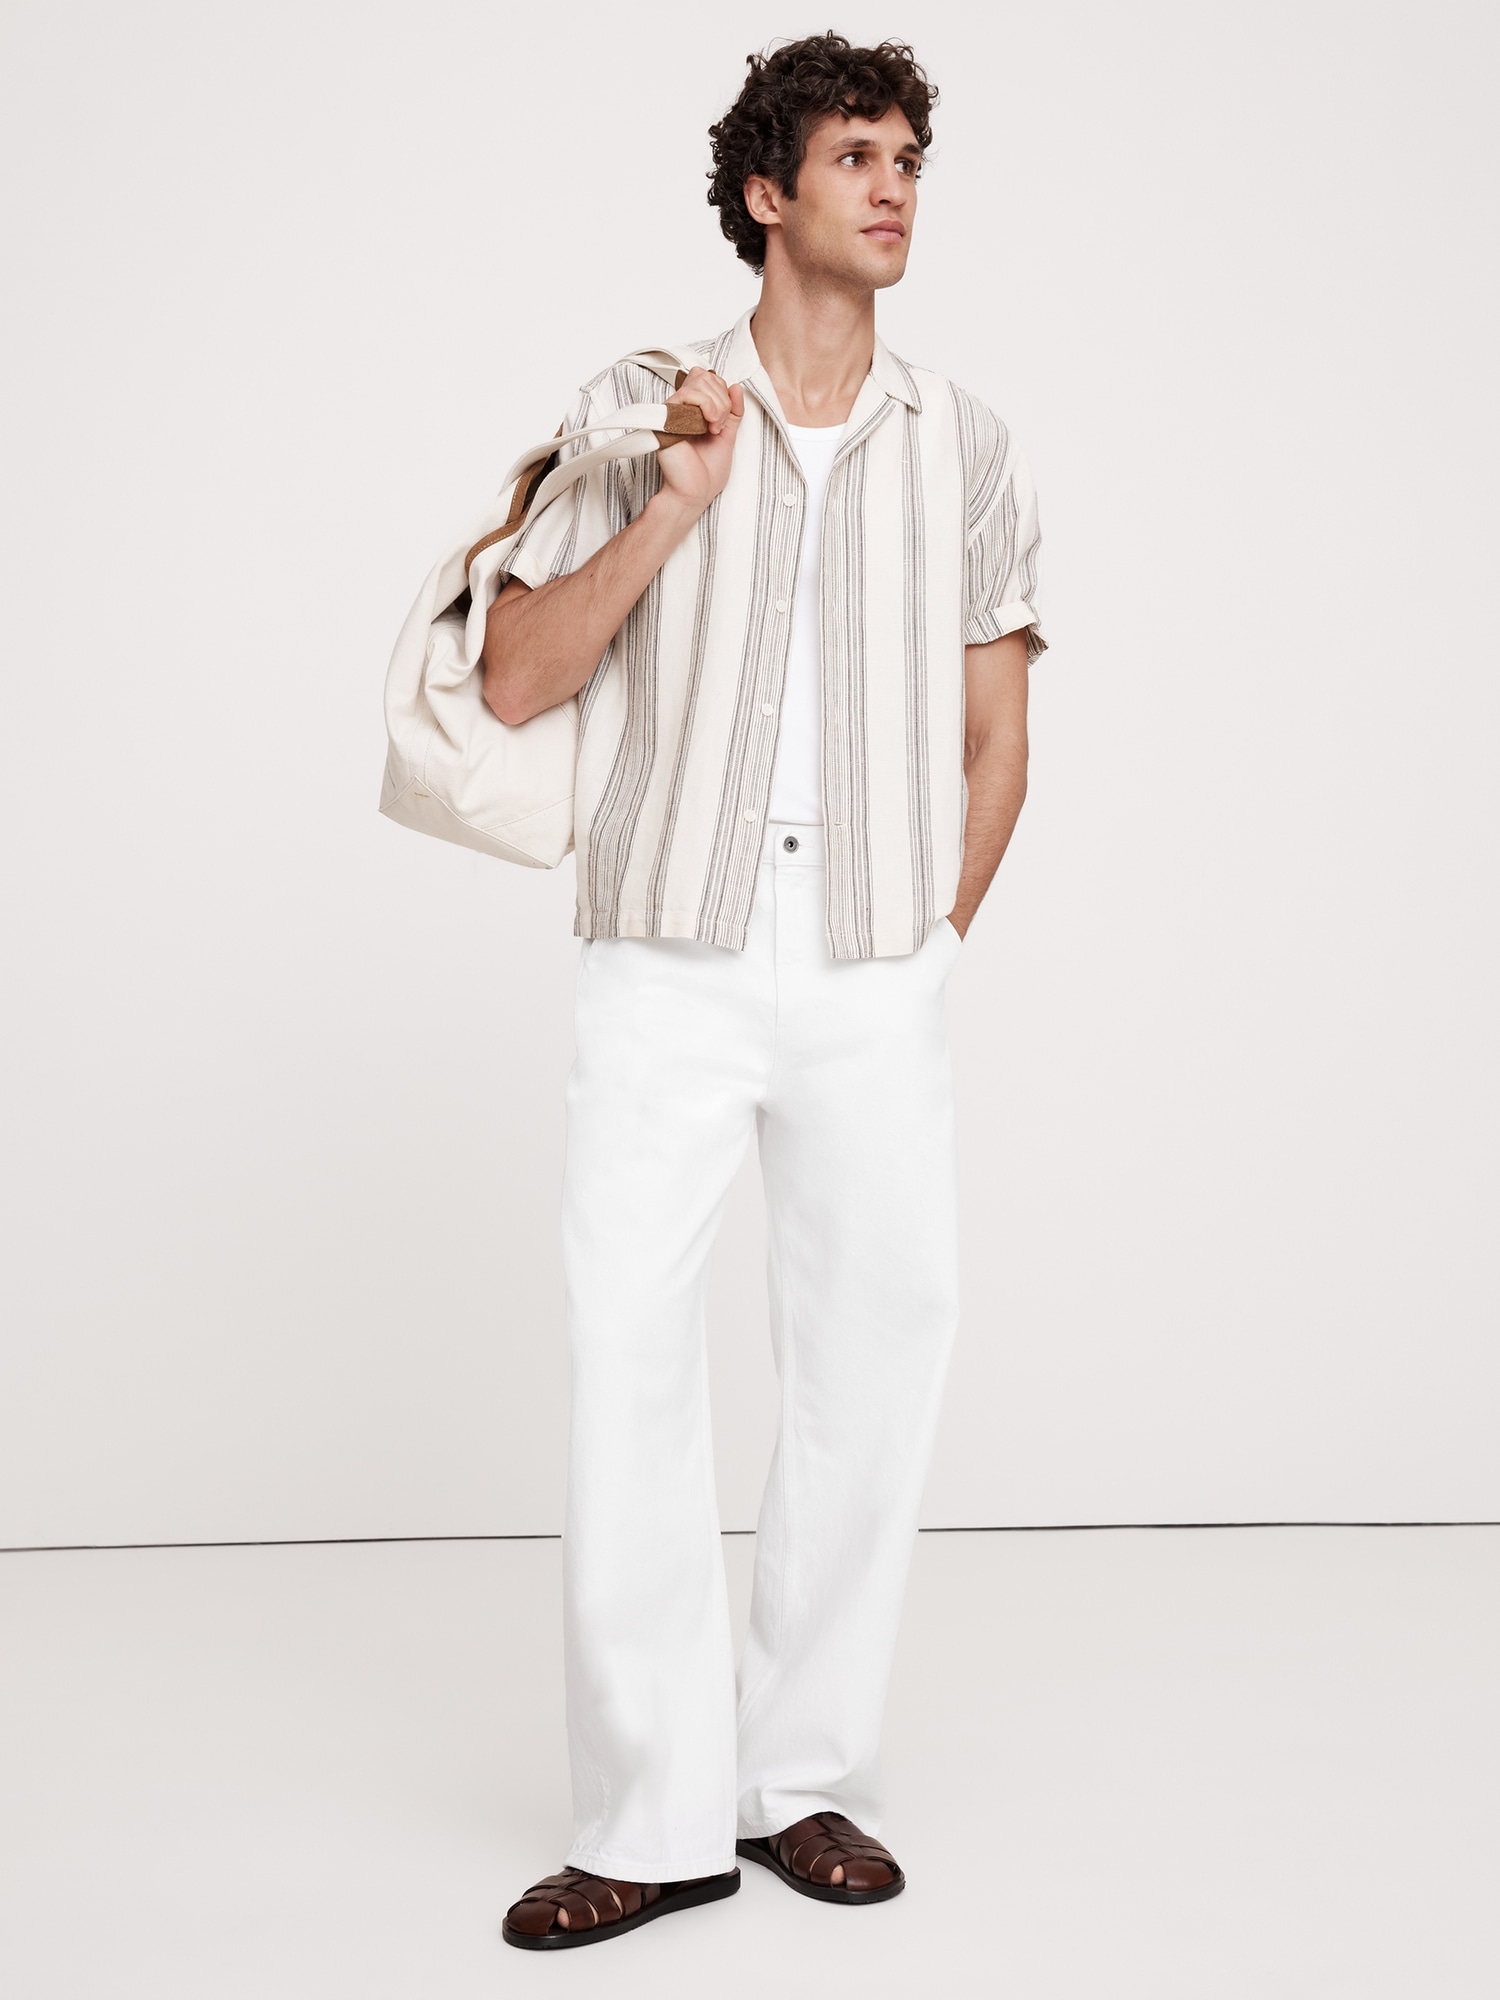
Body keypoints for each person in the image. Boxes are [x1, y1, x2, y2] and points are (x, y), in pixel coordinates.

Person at [486, 33, 1044, 1951]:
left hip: (875, 959)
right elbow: (517, 677)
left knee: (874, 1364)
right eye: (856, 156)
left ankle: (804, 1781)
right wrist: (671, 505)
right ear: (765, 192)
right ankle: (647, 1822)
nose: (893, 188)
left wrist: (934, 935)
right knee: (628, 1360)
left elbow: (998, 737)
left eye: (909, 160)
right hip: (668, 950)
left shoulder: (965, 442)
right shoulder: (639, 407)